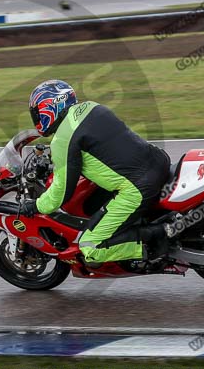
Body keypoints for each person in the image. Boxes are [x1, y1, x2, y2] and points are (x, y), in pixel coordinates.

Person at [20, 80, 173, 263]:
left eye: (37, 113)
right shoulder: (92, 107)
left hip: (138, 187)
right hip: (157, 160)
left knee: (90, 247)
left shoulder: (63, 139)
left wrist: (37, 205)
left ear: (49, 107)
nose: (36, 118)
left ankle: (160, 237)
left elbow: (61, 193)